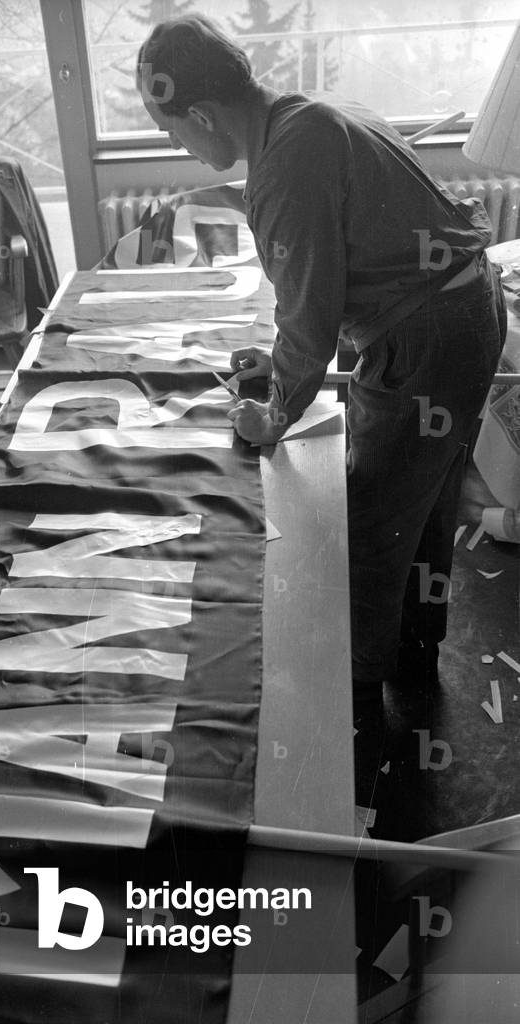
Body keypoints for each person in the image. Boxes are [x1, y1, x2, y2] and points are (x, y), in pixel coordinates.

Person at [136, 15, 507, 706]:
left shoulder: (281, 171)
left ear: (204, 115)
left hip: (427, 340)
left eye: (171, 130)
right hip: (468, 312)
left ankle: (356, 696)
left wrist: (273, 411)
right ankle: (413, 655)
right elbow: (353, 265)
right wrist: (291, 360)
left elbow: (306, 321)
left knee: (368, 525)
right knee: (422, 507)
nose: (176, 145)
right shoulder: (312, 115)